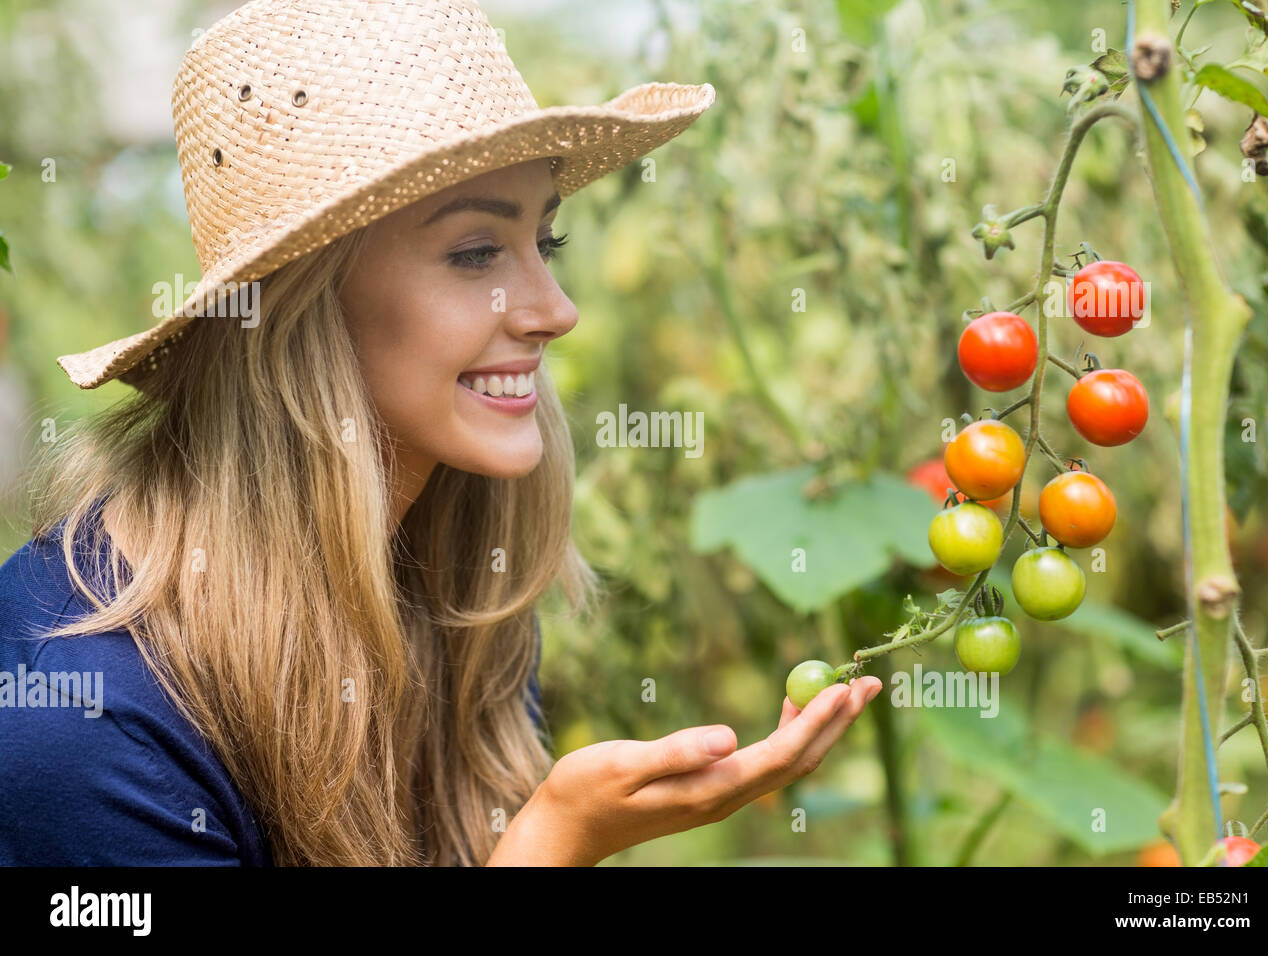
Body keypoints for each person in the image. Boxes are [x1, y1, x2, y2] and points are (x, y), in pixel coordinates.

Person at [0, 0, 883, 867]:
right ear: (302, 311)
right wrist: (555, 841)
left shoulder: (456, 592)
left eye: (548, 239)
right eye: (476, 253)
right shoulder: (87, 722)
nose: (557, 311)